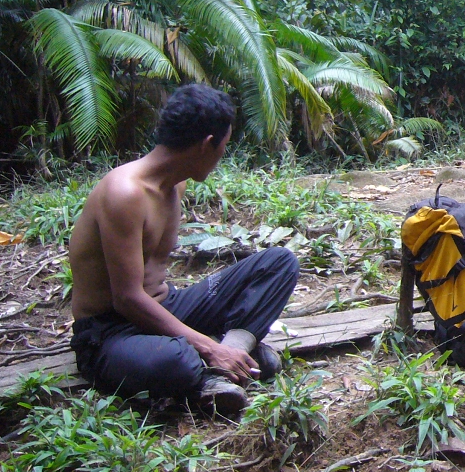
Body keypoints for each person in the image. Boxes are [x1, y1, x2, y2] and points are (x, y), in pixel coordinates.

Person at [68, 85, 299, 415]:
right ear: (208, 144)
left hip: (167, 306)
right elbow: (126, 298)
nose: (223, 155)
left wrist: (210, 348)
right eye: (224, 146)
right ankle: (217, 362)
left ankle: (227, 361)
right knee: (176, 360)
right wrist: (206, 347)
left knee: (280, 263)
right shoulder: (125, 194)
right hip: (110, 333)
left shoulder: (175, 183)